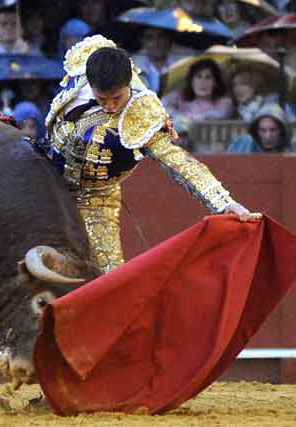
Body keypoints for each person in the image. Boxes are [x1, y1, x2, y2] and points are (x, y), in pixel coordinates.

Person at [41, 36, 256, 272]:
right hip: (43, 174)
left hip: (94, 198)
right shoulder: (85, 60)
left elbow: (177, 161)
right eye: (103, 99)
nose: (111, 106)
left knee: (109, 276)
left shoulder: (141, 113)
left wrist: (223, 203)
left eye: (117, 98)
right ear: (89, 84)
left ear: (128, 86)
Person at [162, 58, 234, 123]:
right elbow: (162, 105)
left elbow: (218, 115)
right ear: (192, 81)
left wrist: (187, 120)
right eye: (198, 77)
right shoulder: (181, 98)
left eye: (208, 77)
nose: (203, 82)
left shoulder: (224, 102)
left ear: (215, 82)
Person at [227, 103, 296, 154]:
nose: (267, 136)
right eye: (262, 130)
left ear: (282, 130)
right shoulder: (245, 145)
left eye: (273, 130)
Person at [131, 27, 192, 95]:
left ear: (169, 38)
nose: (156, 43)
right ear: (142, 41)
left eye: (161, 37)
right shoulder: (132, 64)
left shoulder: (187, 58)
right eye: (150, 38)